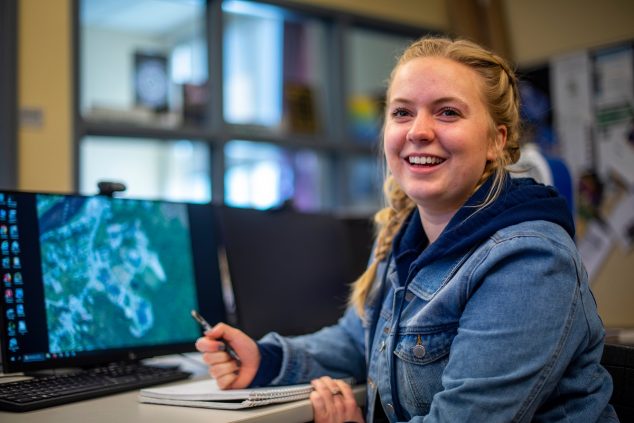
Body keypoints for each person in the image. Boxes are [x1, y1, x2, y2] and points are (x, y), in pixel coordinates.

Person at [196, 36, 618, 422]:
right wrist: (266, 360)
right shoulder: (403, 236)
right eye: (402, 112)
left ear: (495, 141)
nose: (418, 131)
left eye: (447, 112)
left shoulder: (528, 259)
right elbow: (356, 340)